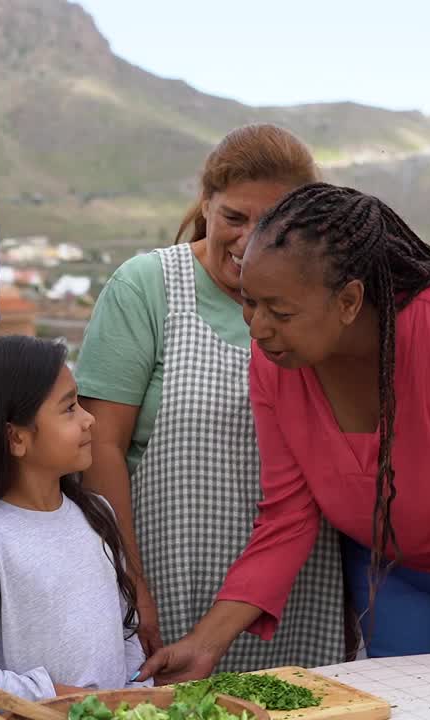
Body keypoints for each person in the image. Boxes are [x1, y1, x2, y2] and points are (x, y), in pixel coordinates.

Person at [141, 183, 430, 681]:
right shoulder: (275, 360)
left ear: (349, 300)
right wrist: (205, 645)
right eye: (249, 303)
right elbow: (287, 516)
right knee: (407, 704)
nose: (257, 327)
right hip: (399, 566)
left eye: (280, 311)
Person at [76, 124, 349, 669]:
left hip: (296, 590)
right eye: (234, 218)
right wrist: (132, 588)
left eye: (272, 223)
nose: (250, 240)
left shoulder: (325, 301)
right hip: (166, 583)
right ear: (206, 203)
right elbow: (100, 449)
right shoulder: (147, 288)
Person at [0, 335, 150, 716]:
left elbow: (126, 632)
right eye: (69, 408)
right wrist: (62, 698)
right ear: (16, 437)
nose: (89, 418)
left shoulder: (98, 514)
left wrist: (133, 695)